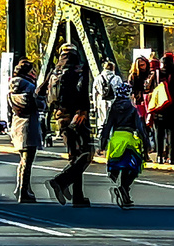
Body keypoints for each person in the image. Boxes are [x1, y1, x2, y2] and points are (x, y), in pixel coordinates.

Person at [43, 46, 92, 207]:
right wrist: (82, 111)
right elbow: (82, 90)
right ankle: (61, 181)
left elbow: (40, 92)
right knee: (86, 152)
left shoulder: (54, 70)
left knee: (74, 155)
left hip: (60, 117)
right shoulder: (79, 69)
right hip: (77, 116)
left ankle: (78, 197)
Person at [100, 81, 150, 209]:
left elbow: (107, 126)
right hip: (129, 140)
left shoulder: (113, 108)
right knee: (134, 166)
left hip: (116, 139)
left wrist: (102, 144)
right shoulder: (132, 109)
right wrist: (146, 144)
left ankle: (121, 186)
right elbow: (140, 128)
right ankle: (124, 188)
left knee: (117, 164)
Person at [7, 58, 43, 203]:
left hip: (16, 125)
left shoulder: (11, 87)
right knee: (27, 161)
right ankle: (23, 191)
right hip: (29, 126)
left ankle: (20, 188)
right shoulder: (30, 87)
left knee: (22, 160)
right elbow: (40, 104)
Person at [93, 59, 121, 131]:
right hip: (113, 101)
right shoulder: (117, 78)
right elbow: (120, 91)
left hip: (101, 101)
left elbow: (95, 93)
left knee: (102, 120)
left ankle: (102, 135)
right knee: (113, 120)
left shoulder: (98, 78)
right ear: (113, 68)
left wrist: (95, 105)